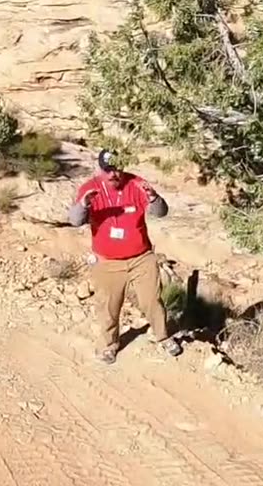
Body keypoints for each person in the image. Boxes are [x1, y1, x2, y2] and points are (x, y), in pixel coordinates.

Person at [67, 149, 183, 364]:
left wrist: (153, 198)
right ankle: (109, 345)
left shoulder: (137, 184)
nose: (113, 175)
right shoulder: (90, 189)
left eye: (117, 169)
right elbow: (74, 221)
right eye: (108, 170)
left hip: (141, 258)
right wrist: (84, 205)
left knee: (152, 301)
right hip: (108, 261)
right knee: (109, 306)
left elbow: (161, 212)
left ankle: (163, 337)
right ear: (100, 169)